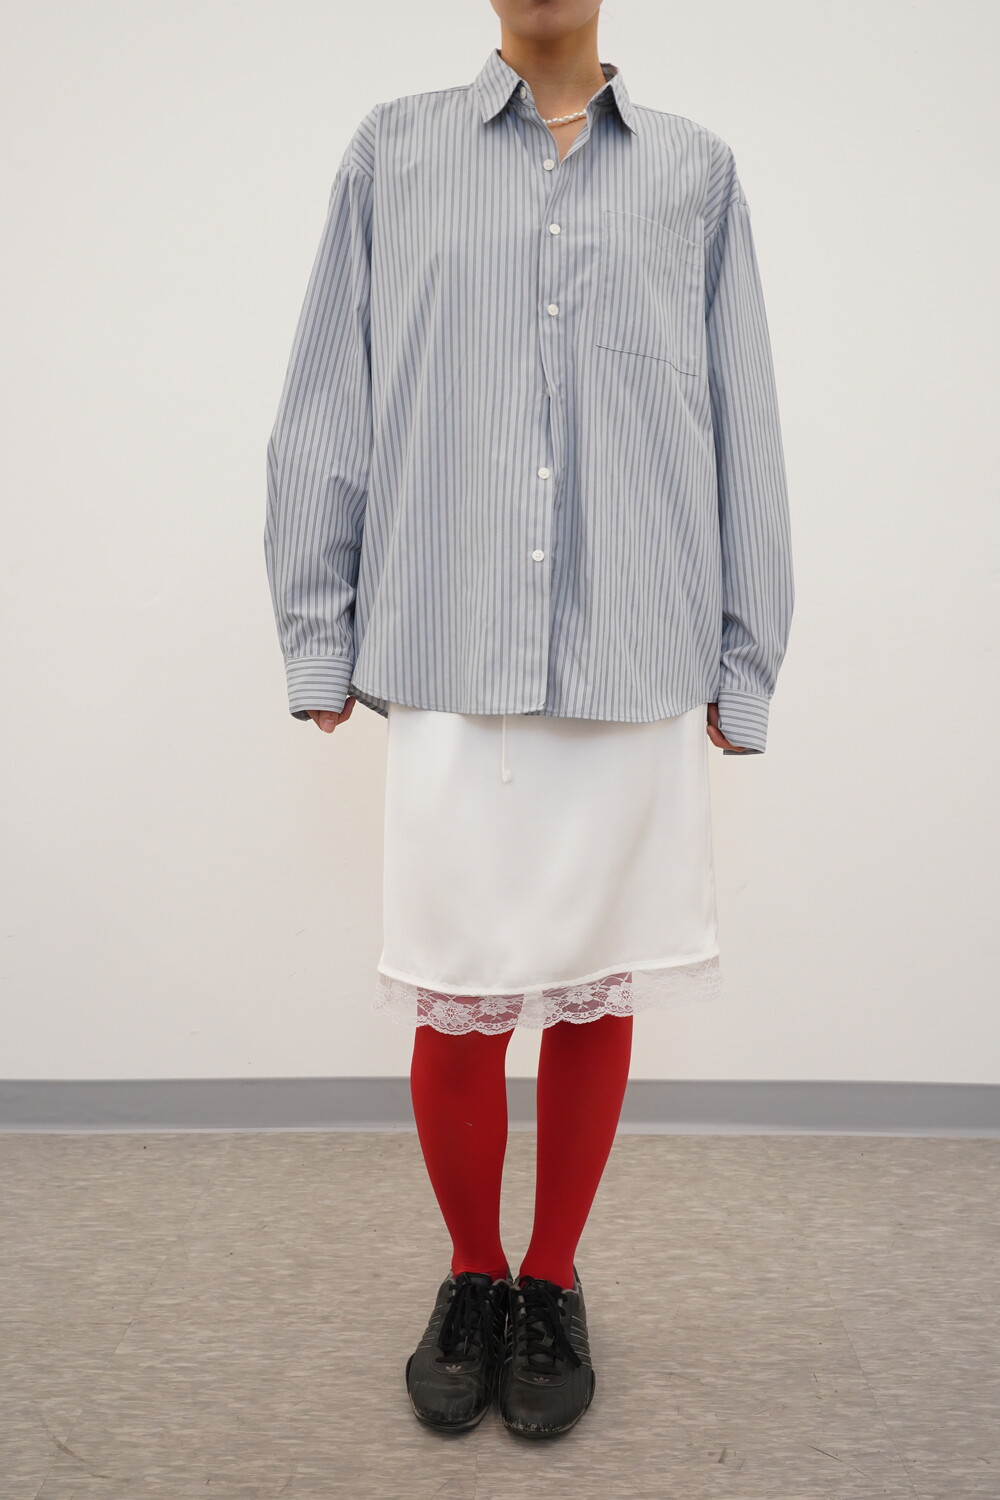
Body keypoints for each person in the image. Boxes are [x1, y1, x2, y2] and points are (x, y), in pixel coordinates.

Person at [264, 0, 794, 1441]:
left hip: (633, 643)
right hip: (452, 639)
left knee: (595, 986)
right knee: (457, 984)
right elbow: (328, 394)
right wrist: (318, 630)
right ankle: (472, 1271)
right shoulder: (393, 154)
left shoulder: (696, 171)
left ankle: (551, 1278)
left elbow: (744, 414)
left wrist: (746, 654)